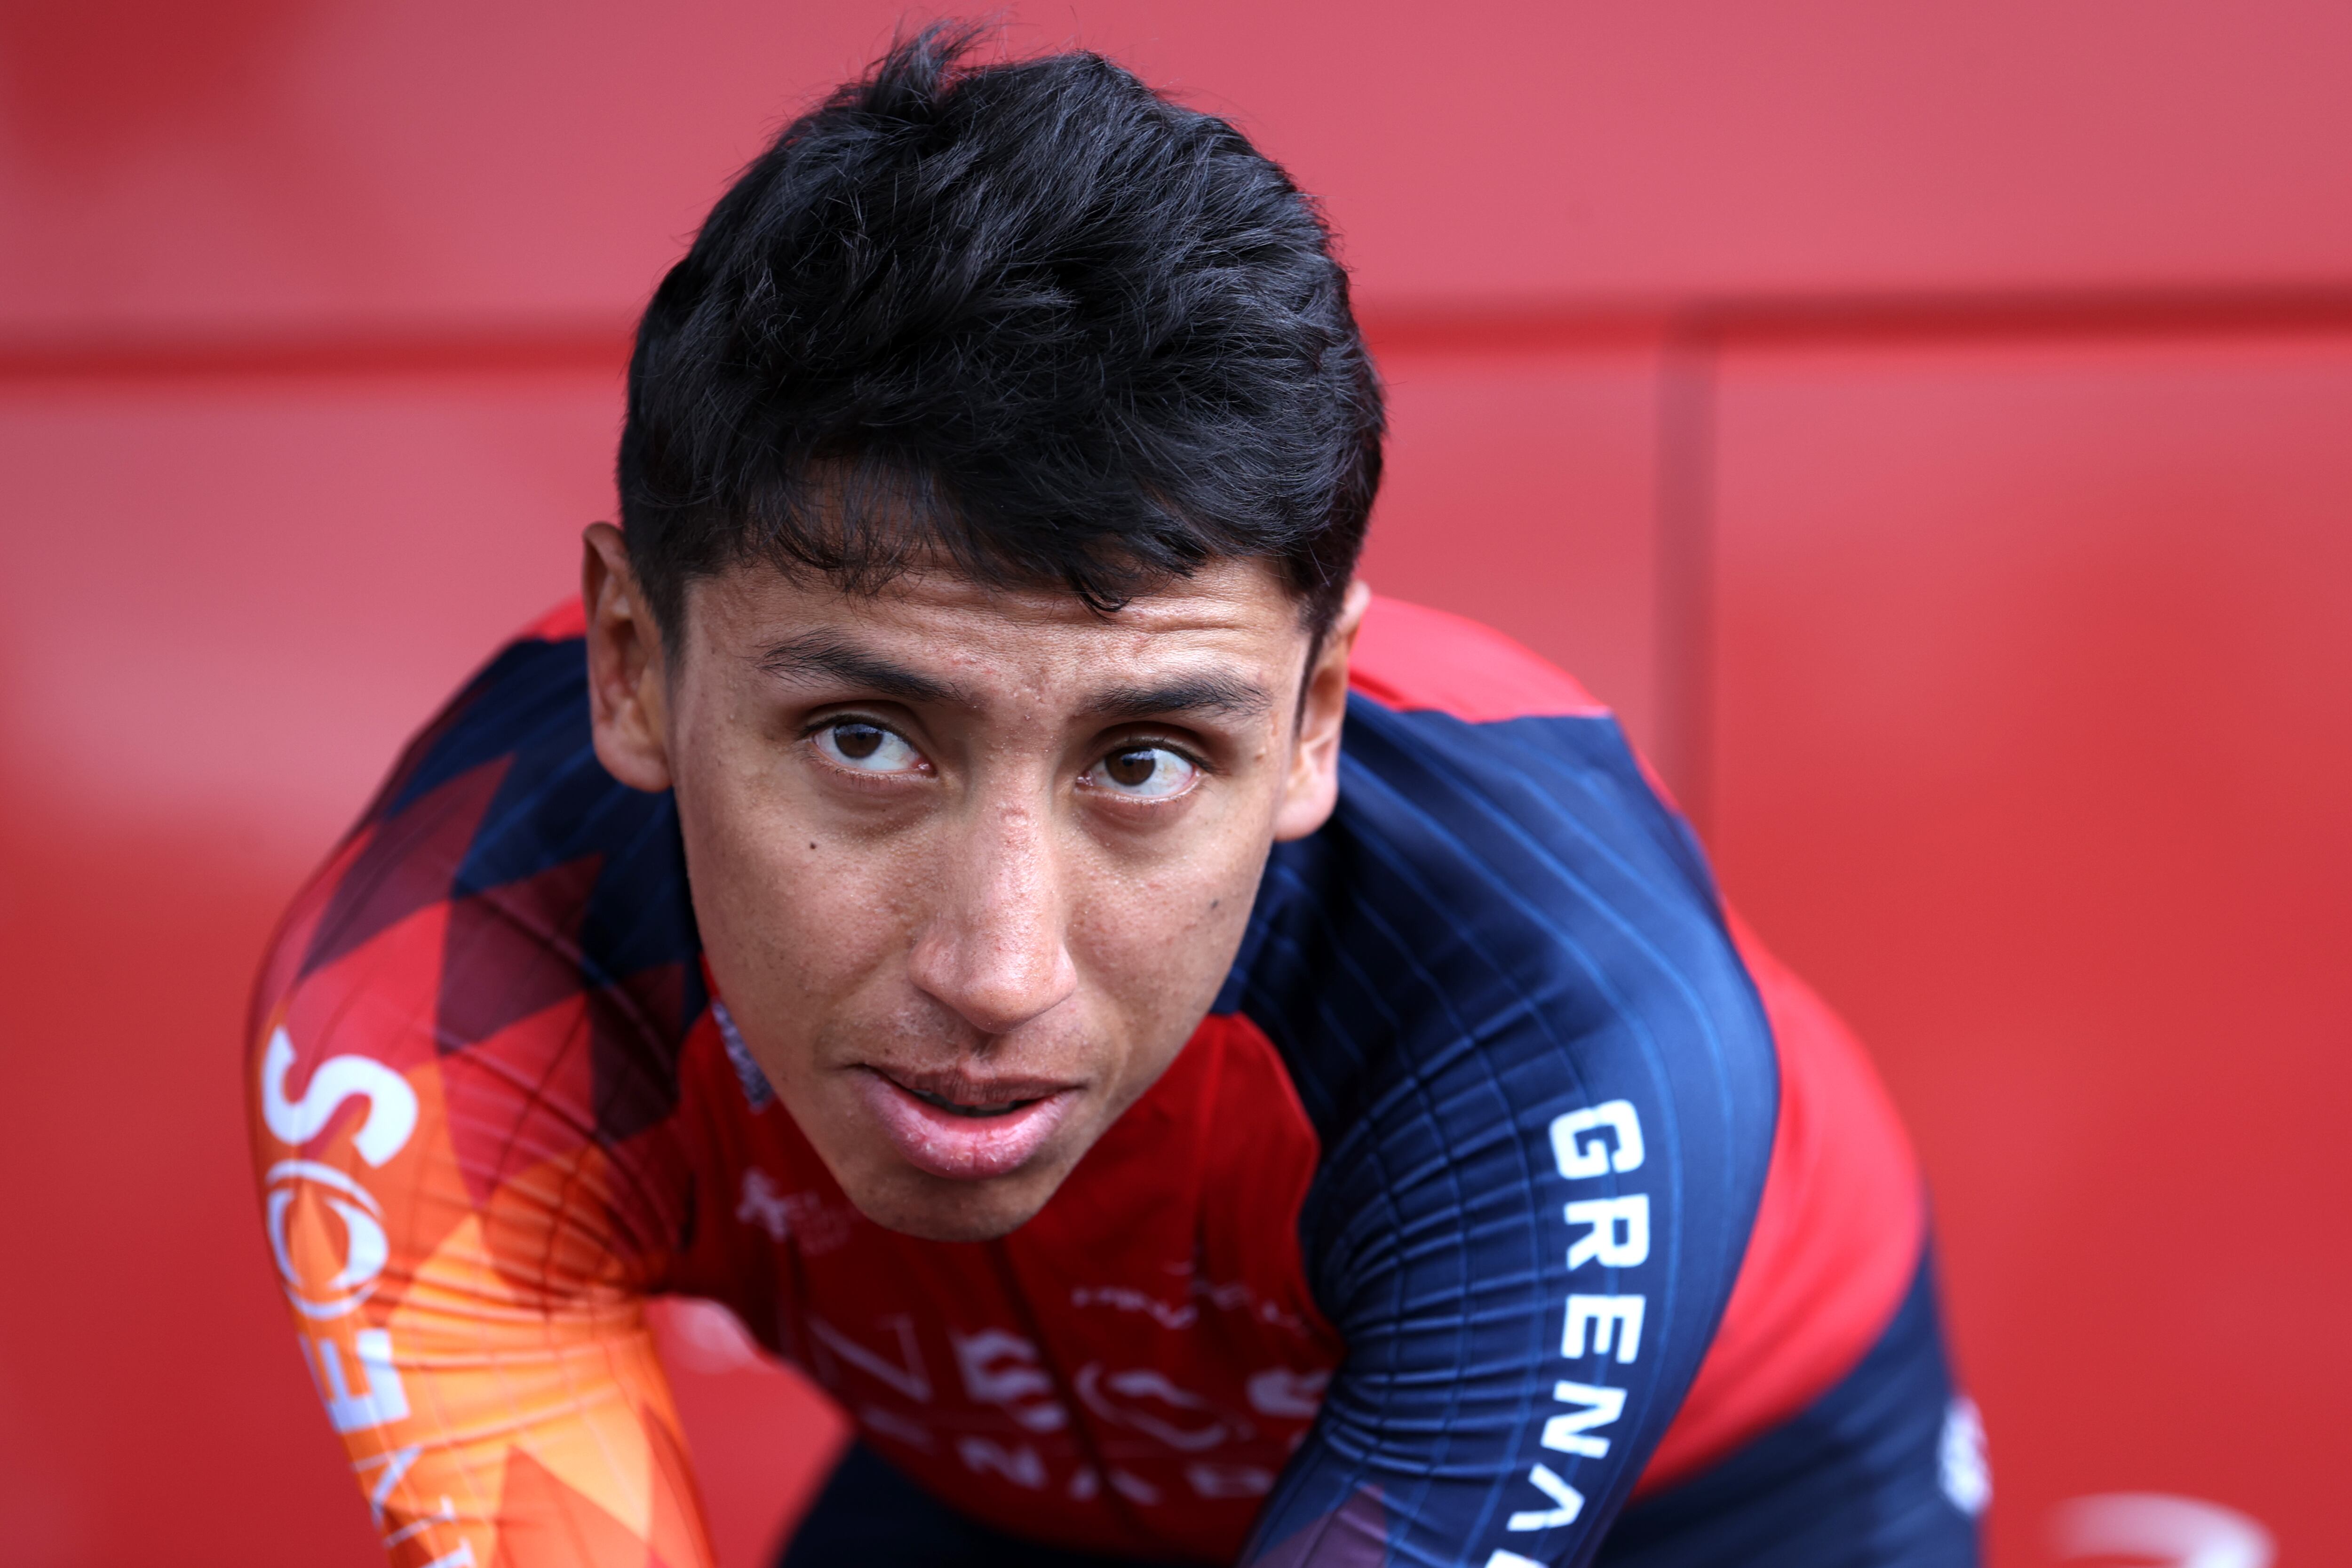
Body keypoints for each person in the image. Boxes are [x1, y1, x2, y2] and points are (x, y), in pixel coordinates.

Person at [246, 26, 1985, 1568]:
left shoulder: (1555, 1020)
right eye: (867, 740)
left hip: (1724, 1482)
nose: (997, 974)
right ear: (631, 662)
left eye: (1145, 762)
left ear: (1316, 722)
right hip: (1020, 1490)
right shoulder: (448, 976)